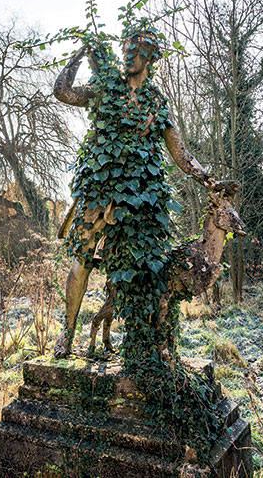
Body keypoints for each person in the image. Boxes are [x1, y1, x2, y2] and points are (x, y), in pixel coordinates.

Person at [52, 31, 219, 359]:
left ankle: (143, 346)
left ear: (150, 57)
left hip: (141, 197)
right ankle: (67, 333)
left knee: (143, 267)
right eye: (125, 49)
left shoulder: (156, 102)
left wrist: (208, 180)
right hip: (99, 188)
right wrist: (78, 55)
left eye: (136, 51)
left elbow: (182, 155)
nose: (128, 56)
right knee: (82, 260)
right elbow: (63, 92)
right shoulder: (107, 89)